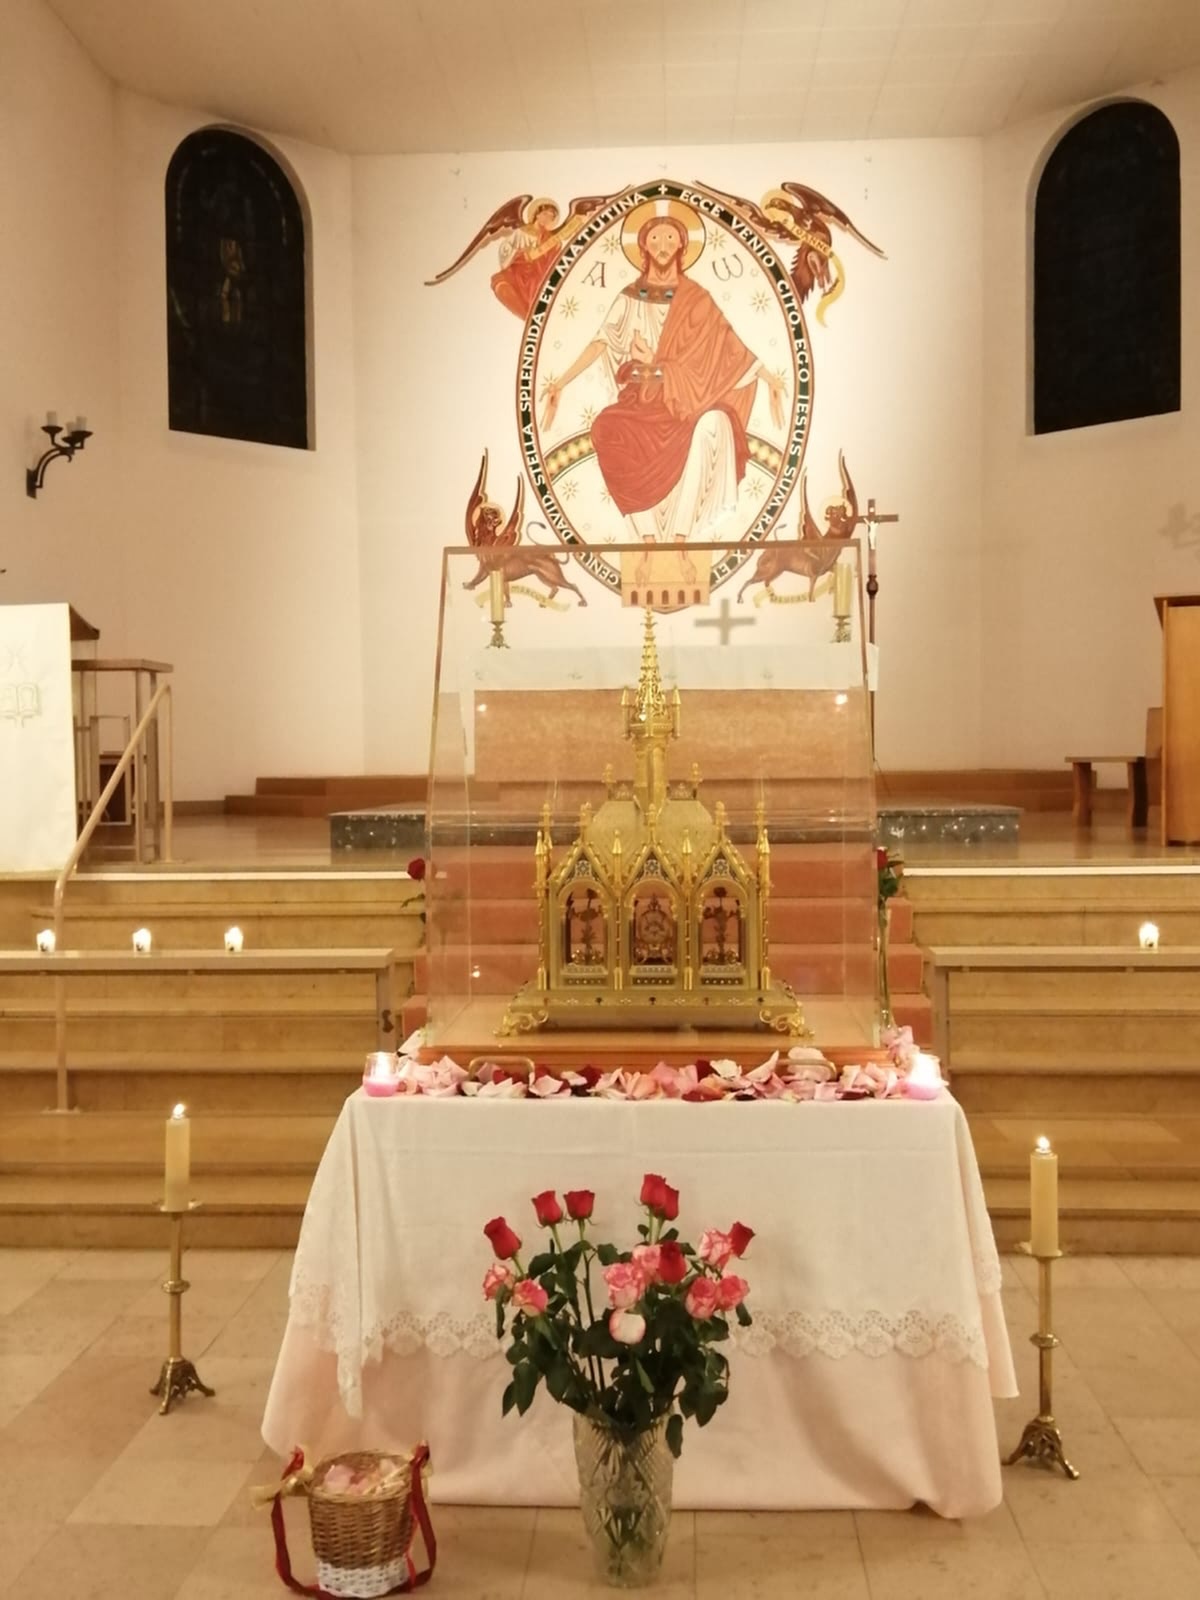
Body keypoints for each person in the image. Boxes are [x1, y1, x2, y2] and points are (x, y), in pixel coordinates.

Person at [540, 213, 787, 543]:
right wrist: (560, 383)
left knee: (713, 425)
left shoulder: (697, 298)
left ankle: (682, 537)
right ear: (643, 246)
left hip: (687, 403)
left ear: (682, 245)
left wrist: (770, 379)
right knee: (605, 427)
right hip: (642, 404)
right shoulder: (630, 296)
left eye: (670, 238)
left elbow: (729, 347)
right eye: (655, 238)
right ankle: (647, 539)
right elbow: (600, 342)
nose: (662, 245)